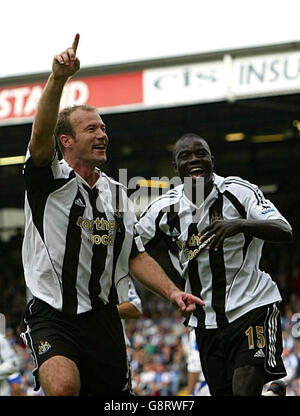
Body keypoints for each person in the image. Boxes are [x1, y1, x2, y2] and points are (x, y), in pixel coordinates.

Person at [19, 35, 203, 397]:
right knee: (63, 387)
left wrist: (172, 292)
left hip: (102, 317)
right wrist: (58, 78)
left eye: (103, 128)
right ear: (66, 142)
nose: (102, 134)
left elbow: (134, 254)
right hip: (52, 313)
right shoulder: (48, 180)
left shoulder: (117, 194)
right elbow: (40, 135)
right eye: (92, 129)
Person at [135, 132, 293, 396]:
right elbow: (131, 250)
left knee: (243, 390)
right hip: (206, 321)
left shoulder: (238, 192)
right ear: (176, 167)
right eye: (185, 156)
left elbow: (283, 229)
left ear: (212, 160)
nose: (195, 160)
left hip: (252, 306)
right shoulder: (163, 209)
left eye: (201, 154)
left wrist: (240, 224)